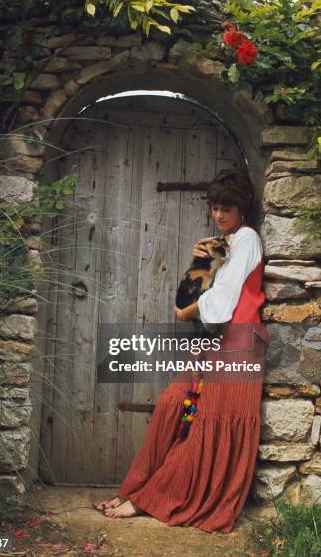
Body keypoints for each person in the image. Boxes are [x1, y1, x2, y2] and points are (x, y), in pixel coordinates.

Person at [95, 168, 268, 534]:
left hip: (239, 343)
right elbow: (186, 298)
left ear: (243, 209)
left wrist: (189, 309)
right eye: (215, 207)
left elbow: (216, 305)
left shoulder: (248, 238)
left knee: (206, 424)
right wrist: (202, 263)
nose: (220, 215)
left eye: (228, 208)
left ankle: (147, 499)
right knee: (174, 406)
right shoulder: (225, 242)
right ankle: (139, 489)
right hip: (218, 342)